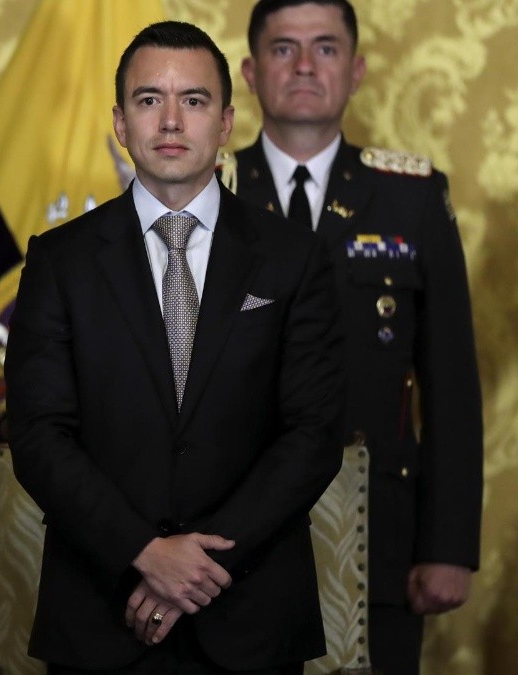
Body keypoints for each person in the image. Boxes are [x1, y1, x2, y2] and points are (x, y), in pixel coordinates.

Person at [5, 21, 345, 674]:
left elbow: (312, 433)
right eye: (147, 99)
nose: (170, 120)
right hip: (103, 612)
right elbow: (41, 434)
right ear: (120, 121)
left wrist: (197, 566)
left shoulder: (293, 257)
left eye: (193, 100)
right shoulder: (60, 261)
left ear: (225, 123)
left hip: (251, 615)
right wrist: (143, 550)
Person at [230, 2, 483, 673]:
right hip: (227, 538)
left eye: (326, 48)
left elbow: (451, 382)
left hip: (379, 538)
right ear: (251, 73)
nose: (306, 66)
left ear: (357, 70)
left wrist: (449, 543)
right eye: (284, 49)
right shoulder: (207, 190)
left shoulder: (413, 198)